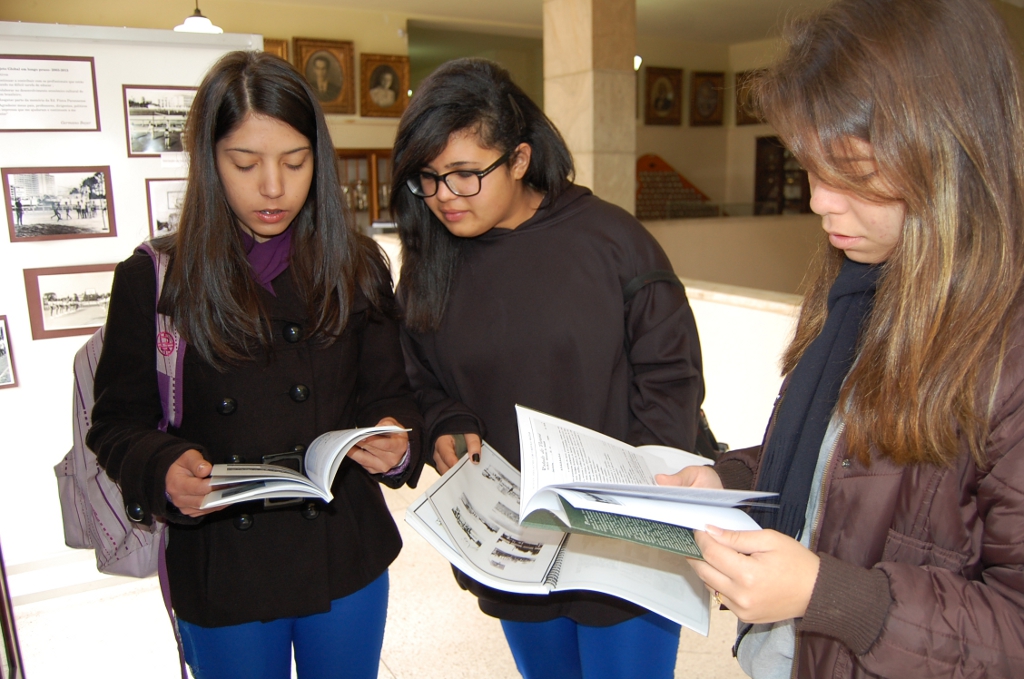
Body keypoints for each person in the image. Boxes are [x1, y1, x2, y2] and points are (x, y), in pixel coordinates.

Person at [657, 1, 1024, 677]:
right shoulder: (859, 284)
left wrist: (831, 595)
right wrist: (732, 482)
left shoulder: (1007, 353)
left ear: (946, 156)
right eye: (812, 167)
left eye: (850, 172)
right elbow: (841, 460)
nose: (819, 201)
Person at [86, 51, 422, 679]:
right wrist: (161, 467)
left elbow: (392, 394)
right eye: (245, 164)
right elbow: (114, 423)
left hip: (342, 551)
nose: (274, 187)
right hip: (223, 563)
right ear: (209, 164)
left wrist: (396, 439)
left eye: (295, 162)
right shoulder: (155, 276)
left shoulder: (357, 265)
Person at [393, 58, 705, 679]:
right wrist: (445, 423)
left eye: (464, 175)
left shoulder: (613, 242)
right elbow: (418, 377)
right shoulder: (432, 260)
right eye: (427, 179)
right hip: (517, 538)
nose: (443, 199)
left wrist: (636, 499)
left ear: (519, 159)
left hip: (626, 537)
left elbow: (671, 381)